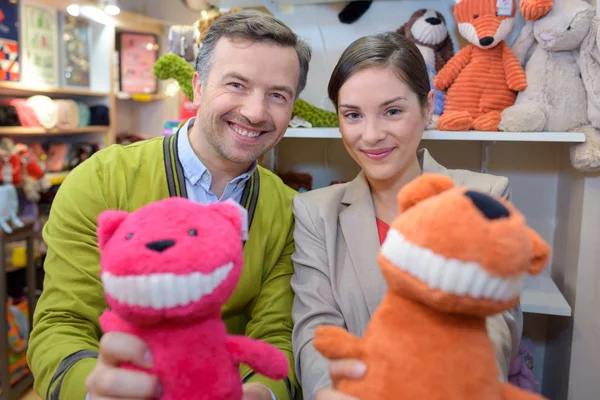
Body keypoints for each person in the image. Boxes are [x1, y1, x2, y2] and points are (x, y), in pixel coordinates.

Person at [26, 10, 311, 400]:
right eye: (236, 84)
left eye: (277, 95)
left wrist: (262, 393)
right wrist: (95, 391)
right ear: (197, 87)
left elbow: (276, 331)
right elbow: (64, 321)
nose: (256, 112)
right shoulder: (102, 181)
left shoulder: (290, 211)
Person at [290, 32, 524, 399]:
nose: (371, 135)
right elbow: (315, 325)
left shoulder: (483, 197)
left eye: (393, 111)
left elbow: (493, 320)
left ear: (428, 107)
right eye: (353, 115)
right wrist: (329, 391)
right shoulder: (315, 212)